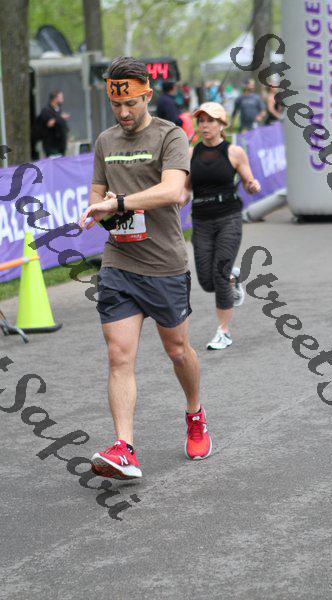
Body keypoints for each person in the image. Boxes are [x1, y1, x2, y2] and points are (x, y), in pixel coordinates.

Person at [78, 56, 212, 480]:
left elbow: (173, 191)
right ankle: (124, 448)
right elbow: (96, 192)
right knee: (118, 355)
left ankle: (194, 413)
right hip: (119, 261)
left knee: (178, 351)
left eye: (131, 103)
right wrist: (97, 210)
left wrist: (119, 203)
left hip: (164, 263)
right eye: (116, 104)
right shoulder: (105, 142)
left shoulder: (170, 135)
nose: (123, 112)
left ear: (147, 95)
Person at [183, 102, 261, 350]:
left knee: (219, 274)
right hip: (201, 221)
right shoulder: (190, 153)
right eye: (201, 121)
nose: (205, 125)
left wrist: (252, 186)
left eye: (211, 121)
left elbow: (249, 180)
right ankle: (233, 277)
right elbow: (185, 189)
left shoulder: (234, 152)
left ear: (222, 125)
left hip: (229, 218)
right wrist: (174, 200)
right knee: (207, 282)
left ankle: (223, 331)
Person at [37, 90, 70, 157]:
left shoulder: (59, 110)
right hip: (52, 146)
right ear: (55, 99)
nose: (62, 99)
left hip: (61, 145)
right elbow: (50, 123)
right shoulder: (46, 110)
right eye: (61, 98)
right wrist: (60, 117)